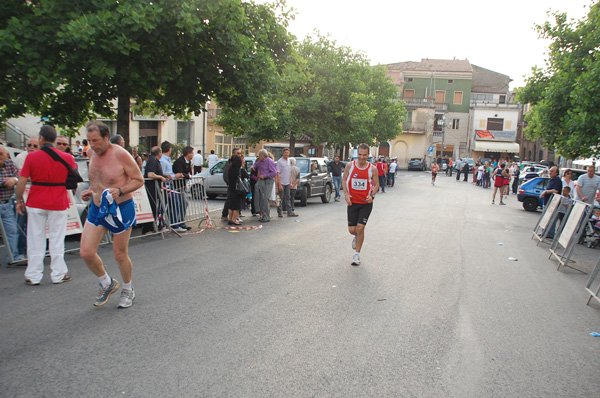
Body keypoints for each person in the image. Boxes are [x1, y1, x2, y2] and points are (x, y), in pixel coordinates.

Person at [78, 121, 144, 308]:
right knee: (86, 252)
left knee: (119, 253)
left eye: (96, 140)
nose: (93, 145)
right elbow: (97, 181)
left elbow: (139, 180)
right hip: (98, 208)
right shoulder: (92, 153)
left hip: (121, 209)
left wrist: (120, 190)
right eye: (90, 141)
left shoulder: (121, 154)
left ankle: (128, 289)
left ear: (106, 137)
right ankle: (107, 283)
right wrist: (91, 191)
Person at [15, 125, 75, 286]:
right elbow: (73, 178)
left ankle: (33, 275)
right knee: (57, 238)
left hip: (36, 199)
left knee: (35, 238)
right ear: (55, 140)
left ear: (41, 138)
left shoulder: (31, 157)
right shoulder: (67, 158)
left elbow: (22, 180)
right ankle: (58, 274)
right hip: (58, 200)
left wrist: (18, 199)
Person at [343, 143, 379, 266]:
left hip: (365, 203)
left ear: (368, 155)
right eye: (359, 155)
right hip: (352, 202)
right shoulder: (350, 166)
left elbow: (377, 185)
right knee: (352, 230)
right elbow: (344, 180)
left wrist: (372, 195)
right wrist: (346, 195)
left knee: (361, 227)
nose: (362, 157)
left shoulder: (372, 169)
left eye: (364, 155)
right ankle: (357, 236)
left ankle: (357, 255)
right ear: (356, 154)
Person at [0, 145, 24, 264]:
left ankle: (13, 257)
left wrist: (14, 180)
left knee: (12, 231)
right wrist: (5, 181)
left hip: (6, 203)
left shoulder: (10, 163)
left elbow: (19, 176)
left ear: (6, 155)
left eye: (1, 154)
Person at [143, 146, 167, 234]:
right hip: (151, 188)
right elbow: (150, 174)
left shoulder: (154, 160)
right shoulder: (153, 161)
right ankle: (148, 227)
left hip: (154, 189)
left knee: (154, 207)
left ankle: (151, 226)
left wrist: (164, 175)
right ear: (159, 153)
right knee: (152, 207)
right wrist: (160, 177)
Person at [172, 146, 194, 231]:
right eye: (192, 153)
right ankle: (179, 222)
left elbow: (188, 172)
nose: (193, 154)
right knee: (183, 203)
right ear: (188, 154)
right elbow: (180, 172)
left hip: (182, 186)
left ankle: (181, 221)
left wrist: (187, 174)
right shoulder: (179, 161)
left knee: (184, 203)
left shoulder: (188, 162)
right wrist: (187, 175)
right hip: (177, 186)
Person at [253, 148, 277, 222]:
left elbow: (274, 172)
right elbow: (256, 164)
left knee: (265, 198)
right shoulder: (260, 161)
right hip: (262, 180)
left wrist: (265, 175)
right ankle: (261, 212)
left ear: (263, 155)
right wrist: (253, 166)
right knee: (260, 195)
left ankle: (266, 216)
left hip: (268, 181)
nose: (258, 157)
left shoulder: (270, 162)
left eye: (259, 155)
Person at [540, 166, 562, 238]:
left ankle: (550, 234)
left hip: (552, 203)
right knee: (545, 218)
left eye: (552, 171)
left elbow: (556, 190)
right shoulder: (551, 180)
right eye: (550, 171)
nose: (550, 172)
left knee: (551, 219)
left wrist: (546, 192)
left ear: (556, 173)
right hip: (547, 202)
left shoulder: (557, 180)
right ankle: (544, 232)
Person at [226, 155, 248, 225]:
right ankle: (235, 219)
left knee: (231, 205)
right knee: (236, 205)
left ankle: (230, 218)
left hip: (231, 188)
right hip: (238, 189)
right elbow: (247, 176)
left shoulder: (230, 169)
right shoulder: (240, 170)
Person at [276, 148, 298, 217]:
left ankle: (289, 211)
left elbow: (289, 173)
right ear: (283, 153)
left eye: (288, 153)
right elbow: (278, 173)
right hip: (281, 182)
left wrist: (290, 182)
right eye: (285, 152)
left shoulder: (289, 161)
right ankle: (279, 211)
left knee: (288, 197)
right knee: (280, 198)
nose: (286, 154)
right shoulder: (280, 162)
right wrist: (279, 184)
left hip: (287, 182)